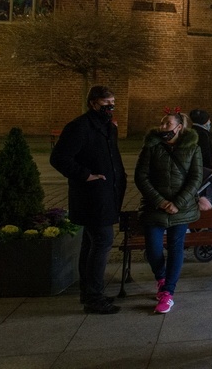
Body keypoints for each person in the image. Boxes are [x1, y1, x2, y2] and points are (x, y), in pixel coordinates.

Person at [50, 85, 127, 315]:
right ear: (93, 103)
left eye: (113, 103)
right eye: (106, 104)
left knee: (91, 243)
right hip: (92, 195)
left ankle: (89, 292)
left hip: (107, 193)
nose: (110, 108)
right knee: (102, 242)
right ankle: (94, 297)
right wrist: (86, 175)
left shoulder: (107, 127)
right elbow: (60, 158)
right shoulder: (79, 127)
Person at [134, 109, 203, 314]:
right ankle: (161, 278)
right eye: (162, 123)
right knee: (153, 248)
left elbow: (195, 178)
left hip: (180, 210)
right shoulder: (151, 147)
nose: (162, 127)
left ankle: (168, 292)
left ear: (179, 127)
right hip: (155, 208)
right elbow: (141, 176)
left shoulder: (192, 148)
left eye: (167, 124)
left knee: (175, 248)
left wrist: (178, 203)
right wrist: (160, 201)